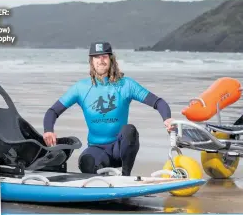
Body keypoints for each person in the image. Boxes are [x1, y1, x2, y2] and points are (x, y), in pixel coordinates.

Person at [43, 42, 174, 176]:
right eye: (96, 57)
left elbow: (158, 102)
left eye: (104, 56)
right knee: (86, 162)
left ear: (111, 59)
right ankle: (102, 172)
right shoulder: (81, 88)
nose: (101, 60)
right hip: (97, 148)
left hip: (120, 149)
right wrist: (48, 131)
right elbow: (52, 111)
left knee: (130, 131)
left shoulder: (126, 85)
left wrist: (167, 119)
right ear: (91, 61)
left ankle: (125, 176)